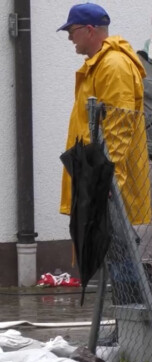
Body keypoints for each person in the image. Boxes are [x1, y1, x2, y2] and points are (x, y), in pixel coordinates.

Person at [59, 3, 150, 225]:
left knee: (115, 254)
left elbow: (119, 129)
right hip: (94, 181)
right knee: (99, 254)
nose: (70, 38)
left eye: (72, 31)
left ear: (89, 30)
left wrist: (109, 181)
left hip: (108, 190)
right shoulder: (98, 66)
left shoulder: (113, 66)